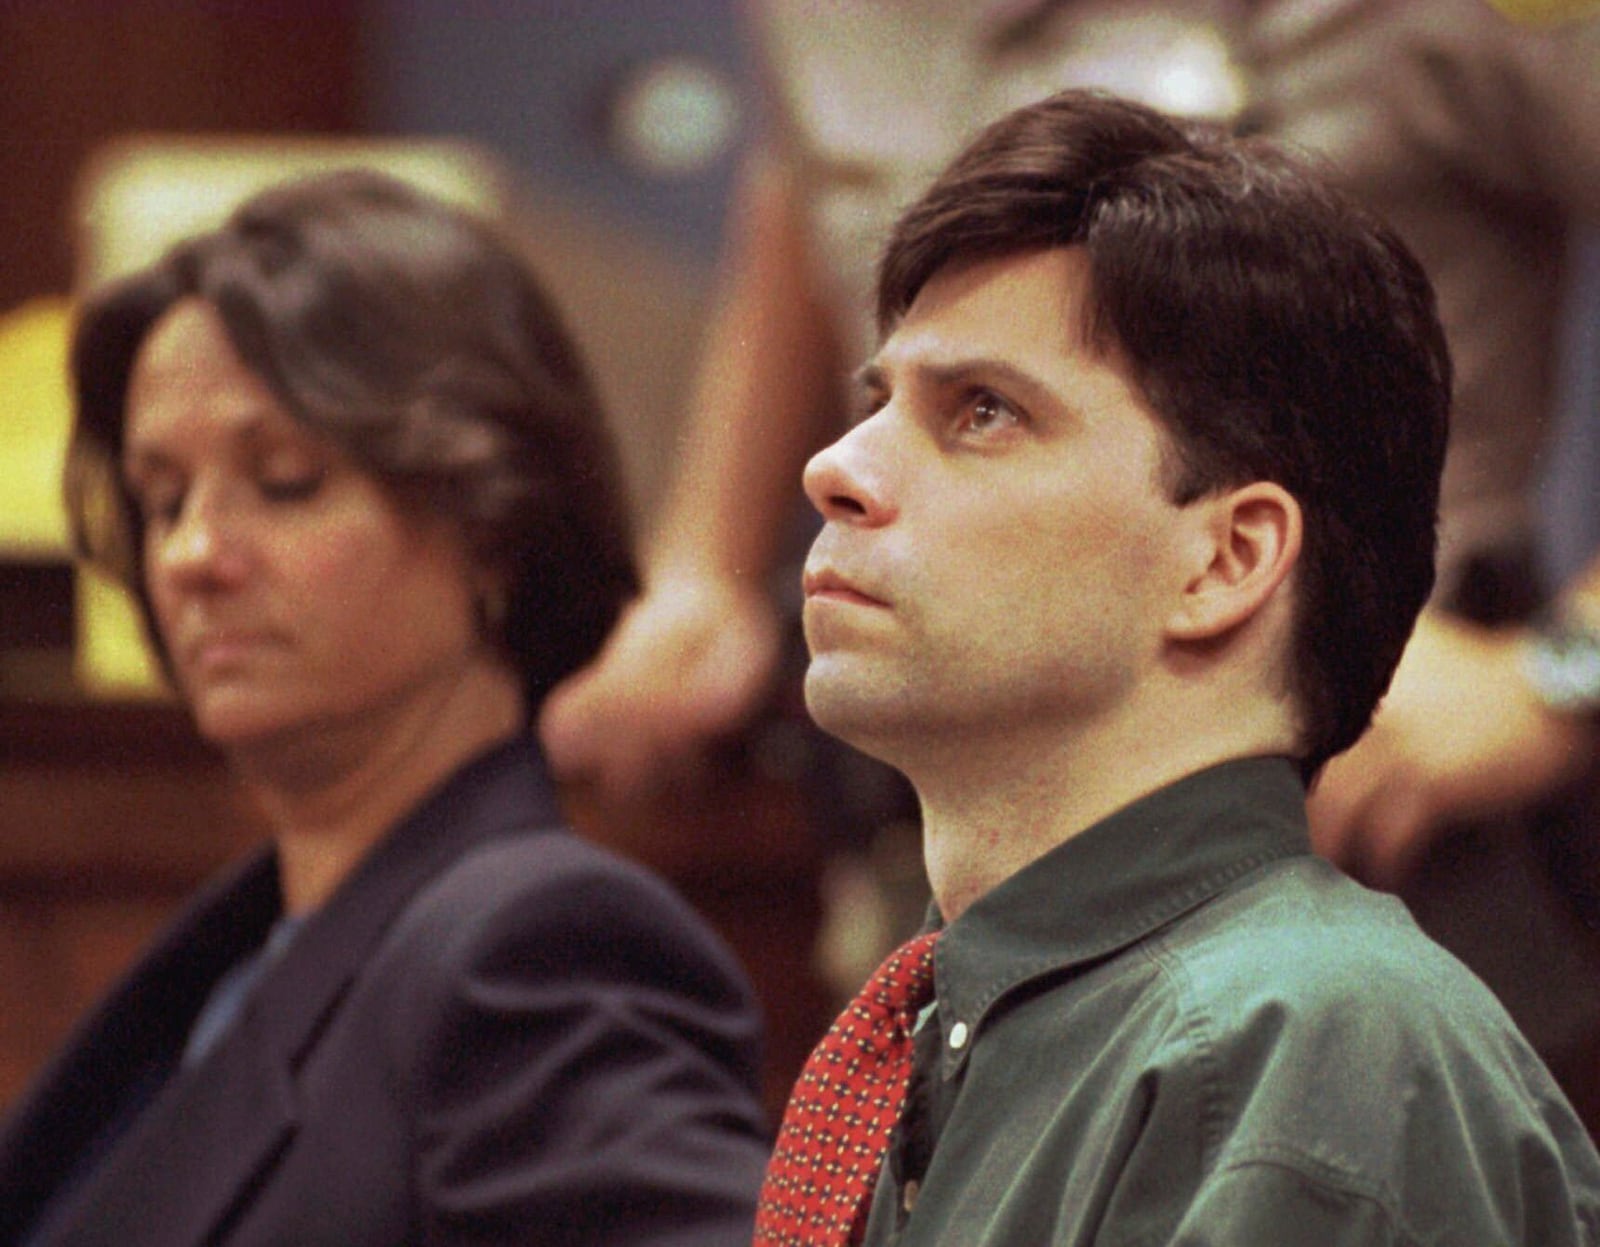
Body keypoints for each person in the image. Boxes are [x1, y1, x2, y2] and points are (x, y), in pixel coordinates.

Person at [541, 0, 1600, 1124]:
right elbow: (814, 181)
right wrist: (704, 559)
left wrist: (1559, 672)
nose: (833, 469)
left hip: (1360, 801)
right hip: (966, 830)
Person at [753, 89, 1600, 1245]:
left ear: (1223, 559)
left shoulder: (1302, 1053)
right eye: (875, 401)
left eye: (983, 410)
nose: (834, 467)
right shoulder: (964, 1028)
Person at [0, 169, 769, 1246]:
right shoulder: (242, 946)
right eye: (164, 497)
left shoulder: (534, 951)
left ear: (491, 517)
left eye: (284, 481)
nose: (191, 555)